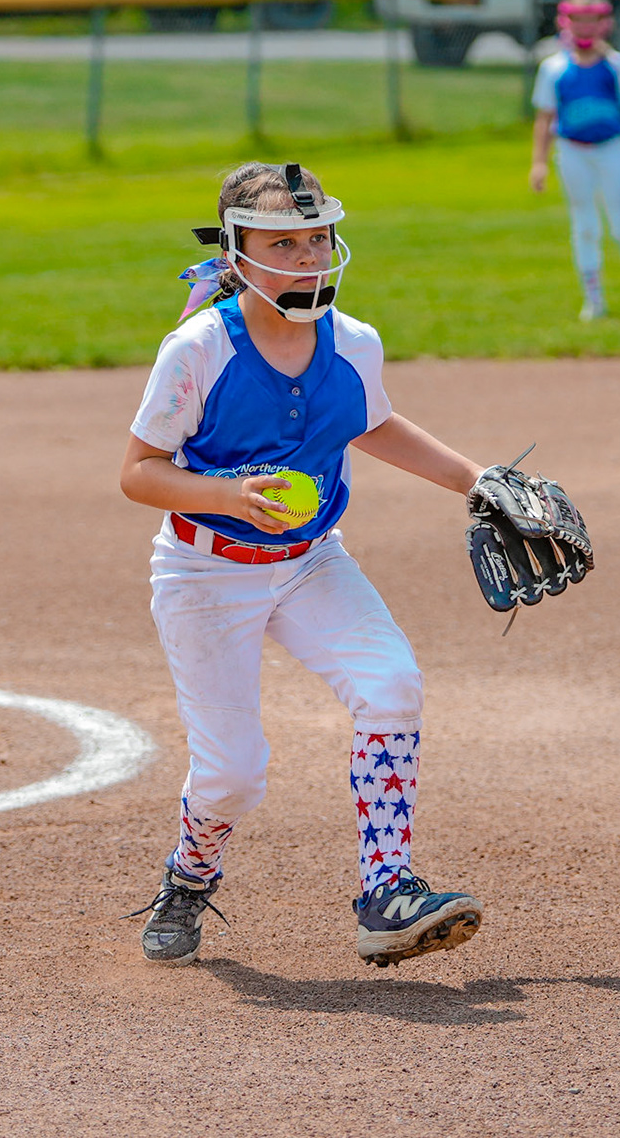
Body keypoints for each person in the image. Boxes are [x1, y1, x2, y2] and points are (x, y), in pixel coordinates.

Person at [120, 161, 487, 968]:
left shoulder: (354, 342)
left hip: (312, 560)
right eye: (283, 243)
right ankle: (190, 874)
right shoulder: (199, 349)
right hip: (205, 572)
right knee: (232, 776)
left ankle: (387, 892)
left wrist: (476, 480)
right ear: (237, 252)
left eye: (317, 238)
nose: (308, 256)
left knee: (391, 684)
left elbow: (371, 422)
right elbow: (139, 472)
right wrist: (228, 495)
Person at [528, 0, 620, 322]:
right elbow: (544, 119)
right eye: (578, 19)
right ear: (566, 22)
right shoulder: (554, 68)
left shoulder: (617, 65)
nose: (585, 27)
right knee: (585, 225)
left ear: (604, 23)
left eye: (592, 19)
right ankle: (594, 300)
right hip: (572, 152)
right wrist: (539, 162)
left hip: (610, 150)